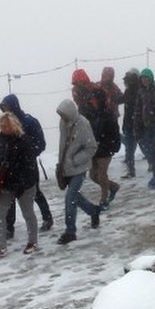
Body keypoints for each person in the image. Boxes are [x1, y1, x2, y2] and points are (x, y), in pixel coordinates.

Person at [0, 94, 53, 231]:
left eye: (7, 107)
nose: (6, 111)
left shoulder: (29, 122)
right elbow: (2, 142)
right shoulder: (6, 124)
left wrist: (27, 154)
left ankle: (47, 218)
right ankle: (9, 227)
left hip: (28, 165)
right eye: (3, 108)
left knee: (34, 192)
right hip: (11, 166)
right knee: (10, 194)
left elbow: (41, 143)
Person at [0, 113, 40, 259]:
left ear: (14, 125)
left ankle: (32, 241)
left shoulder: (24, 141)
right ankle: (0, 246)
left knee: (28, 212)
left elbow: (29, 165)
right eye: (2, 126)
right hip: (6, 184)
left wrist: (21, 182)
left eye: (7, 125)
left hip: (25, 185)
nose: (4, 128)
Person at [55, 99, 100, 244]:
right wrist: (61, 164)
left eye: (63, 114)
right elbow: (63, 145)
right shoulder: (63, 123)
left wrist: (75, 160)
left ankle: (70, 231)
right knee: (74, 197)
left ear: (70, 112)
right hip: (66, 168)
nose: (62, 117)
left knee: (70, 198)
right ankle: (93, 211)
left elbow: (92, 147)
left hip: (79, 168)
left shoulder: (83, 124)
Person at [85, 88, 121, 210]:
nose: (92, 102)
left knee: (101, 175)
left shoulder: (108, 115)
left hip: (105, 150)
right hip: (95, 150)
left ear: (99, 100)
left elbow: (115, 134)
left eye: (94, 99)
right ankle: (113, 187)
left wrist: (112, 148)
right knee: (93, 176)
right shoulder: (93, 114)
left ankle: (104, 201)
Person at [133, 67, 155, 189]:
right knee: (148, 150)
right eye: (142, 78)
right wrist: (137, 124)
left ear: (151, 78)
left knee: (152, 150)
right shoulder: (141, 92)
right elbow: (138, 109)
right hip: (146, 124)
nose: (144, 80)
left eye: (146, 78)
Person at [120, 68, 140, 179]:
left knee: (130, 148)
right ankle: (131, 170)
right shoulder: (137, 91)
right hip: (133, 123)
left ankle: (131, 171)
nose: (125, 83)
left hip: (132, 124)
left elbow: (121, 101)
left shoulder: (131, 92)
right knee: (141, 145)